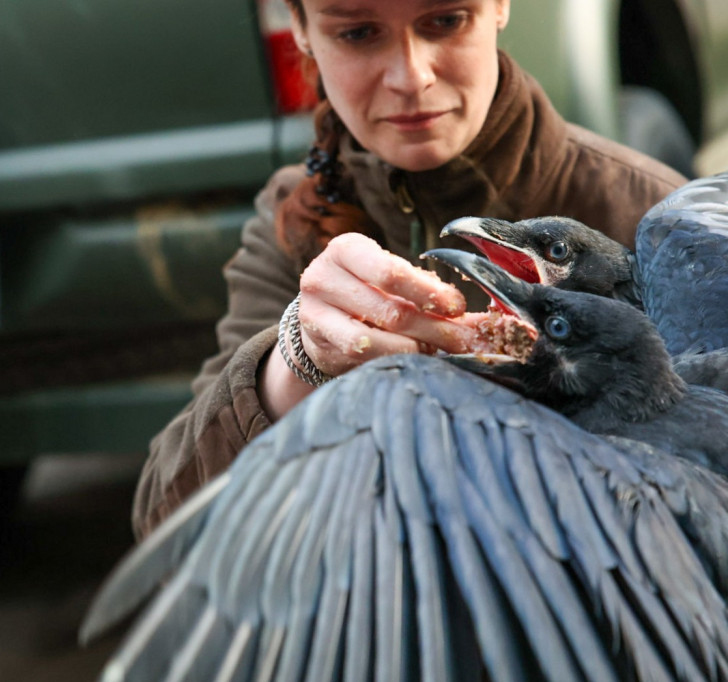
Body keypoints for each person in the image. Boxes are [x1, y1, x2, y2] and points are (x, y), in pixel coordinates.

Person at [133, 0, 688, 539]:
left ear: (500, 5)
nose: (411, 76)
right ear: (300, 27)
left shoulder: (652, 218)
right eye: (358, 32)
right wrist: (293, 366)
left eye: (444, 20)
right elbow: (169, 521)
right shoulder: (293, 220)